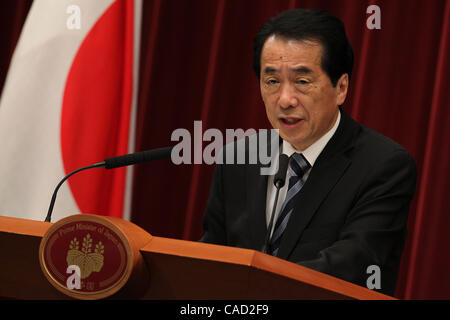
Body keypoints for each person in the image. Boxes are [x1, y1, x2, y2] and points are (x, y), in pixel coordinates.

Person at [200, 9, 416, 296]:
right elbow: (211, 259)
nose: (285, 100)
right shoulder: (239, 158)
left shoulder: (384, 166)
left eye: (302, 82)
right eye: (272, 81)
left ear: (341, 88)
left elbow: (352, 265)